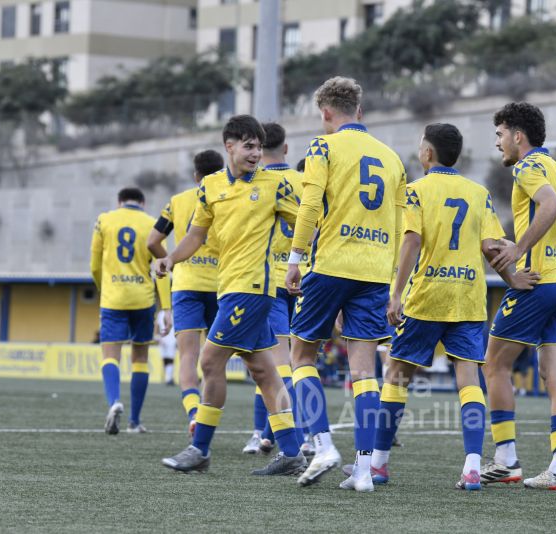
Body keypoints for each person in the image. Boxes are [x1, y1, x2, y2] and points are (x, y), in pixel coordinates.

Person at [369, 123, 538, 491]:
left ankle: (378, 464)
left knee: (397, 375)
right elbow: (492, 246)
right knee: (469, 381)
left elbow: (411, 241)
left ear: (428, 153)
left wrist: (395, 293)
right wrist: (513, 280)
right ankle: (473, 466)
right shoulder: (478, 193)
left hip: (427, 296)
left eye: (420, 146)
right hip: (467, 297)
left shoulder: (416, 191)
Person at [158, 115, 306, 475]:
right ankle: (292, 452)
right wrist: (170, 259)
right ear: (229, 146)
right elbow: (195, 234)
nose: (256, 153)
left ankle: (200, 449)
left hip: (253, 289)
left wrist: (300, 259)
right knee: (263, 371)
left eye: (259, 146)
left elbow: (305, 221)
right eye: (249, 146)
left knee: (209, 363)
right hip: (229, 287)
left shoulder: (274, 185)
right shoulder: (210, 186)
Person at [285, 77, 406, 491]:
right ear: (360, 111)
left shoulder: (324, 145)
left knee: (301, 355)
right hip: (374, 272)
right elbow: (399, 223)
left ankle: (322, 446)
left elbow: (310, 204)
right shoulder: (392, 159)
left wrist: (295, 259)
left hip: (332, 262)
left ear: (326, 115)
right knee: (364, 372)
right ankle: (363, 470)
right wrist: (392, 281)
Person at [481, 102, 556, 491]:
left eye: (500, 134)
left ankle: (506, 460)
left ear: (517, 136)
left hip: (539, 282)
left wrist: (518, 249)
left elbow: (550, 206)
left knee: (494, 365)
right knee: (555, 376)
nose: (498, 143)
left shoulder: (527, 166)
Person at [241, 122, 311, 457]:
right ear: (286, 149)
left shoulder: (253, 183)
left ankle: (266, 433)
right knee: (302, 363)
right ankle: (302, 435)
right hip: (307, 278)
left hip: (269, 280)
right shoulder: (306, 181)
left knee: (271, 361)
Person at [148, 150, 224, 434]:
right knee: (219, 359)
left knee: (188, 356)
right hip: (222, 286)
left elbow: (153, 240)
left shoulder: (177, 202)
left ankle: (193, 411)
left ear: (195, 176)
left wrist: (169, 259)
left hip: (187, 285)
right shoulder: (228, 197)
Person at [90, 187, 171, 435]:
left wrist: (104, 288)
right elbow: (162, 266)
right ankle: (134, 421)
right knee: (140, 359)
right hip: (143, 299)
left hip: (113, 297)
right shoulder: (152, 224)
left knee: (110, 355)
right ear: (143, 203)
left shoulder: (105, 219)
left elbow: (94, 265)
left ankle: (114, 401)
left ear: (119, 202)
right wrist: (166, 306)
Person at [155, 309, 176, 386]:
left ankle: (169, 377)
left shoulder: (162, 313)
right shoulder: (161, 313)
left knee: (169, 358)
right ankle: (168, 377)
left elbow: (156, 325)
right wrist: (156, 336)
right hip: (164, 338)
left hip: (170, 338)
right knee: (166, 359)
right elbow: (156, 325)